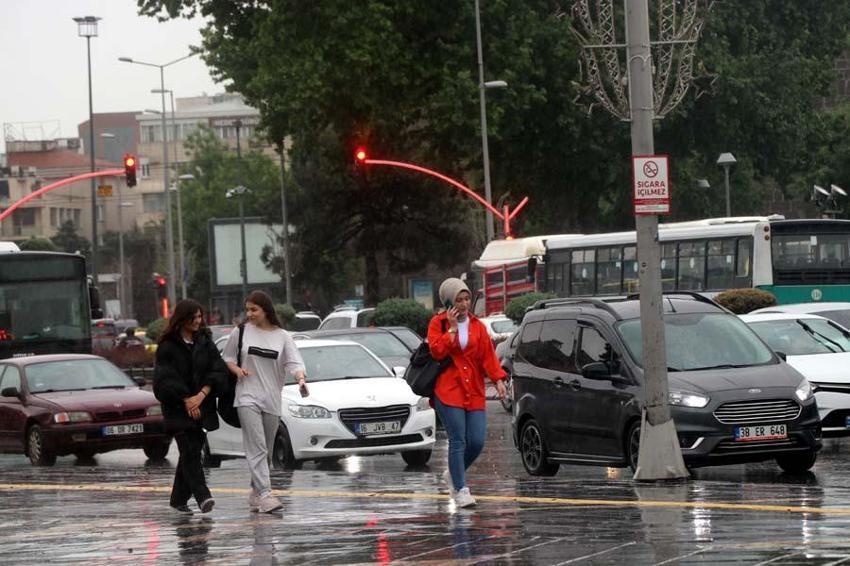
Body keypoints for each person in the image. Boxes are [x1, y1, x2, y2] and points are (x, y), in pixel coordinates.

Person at [222, 290, 308, 514]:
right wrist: (237, 370)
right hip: (246, 396)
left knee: (266, 450)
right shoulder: (240, 332)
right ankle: (266, 494)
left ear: (266, 310)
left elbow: (294, 362)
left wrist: (300, 380)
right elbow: (228, 358)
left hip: (271, 399)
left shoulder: (282, 336)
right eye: (247, 309)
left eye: (254, 309)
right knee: (257, 446)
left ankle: (254, 490)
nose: (249, 313)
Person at [429, 278, 507, 508]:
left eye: (466, 299)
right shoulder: (438, 323)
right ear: (448, 302)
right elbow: (437, 351)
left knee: (476, 441)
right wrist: (452, 328)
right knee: (458, 440)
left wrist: (499, 379)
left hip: (473, 389)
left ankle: (453, 473)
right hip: (448, 389)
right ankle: (461, 489)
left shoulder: (478, 326)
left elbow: (487, 356)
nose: (464, 304)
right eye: (458, 300)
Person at [153, 299, 228, 515]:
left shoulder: (205, 342)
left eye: (199, 316)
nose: (197, 321)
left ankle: (178, 499)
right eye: (193, 317)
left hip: (202, 406)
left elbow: (218, 371)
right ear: (182, 318)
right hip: (178, 410)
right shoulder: (167, 346)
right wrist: (186, 399)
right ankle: (203, 496)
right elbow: (164, 381)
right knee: (189, 450)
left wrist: (202, 394)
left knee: (192, 451)